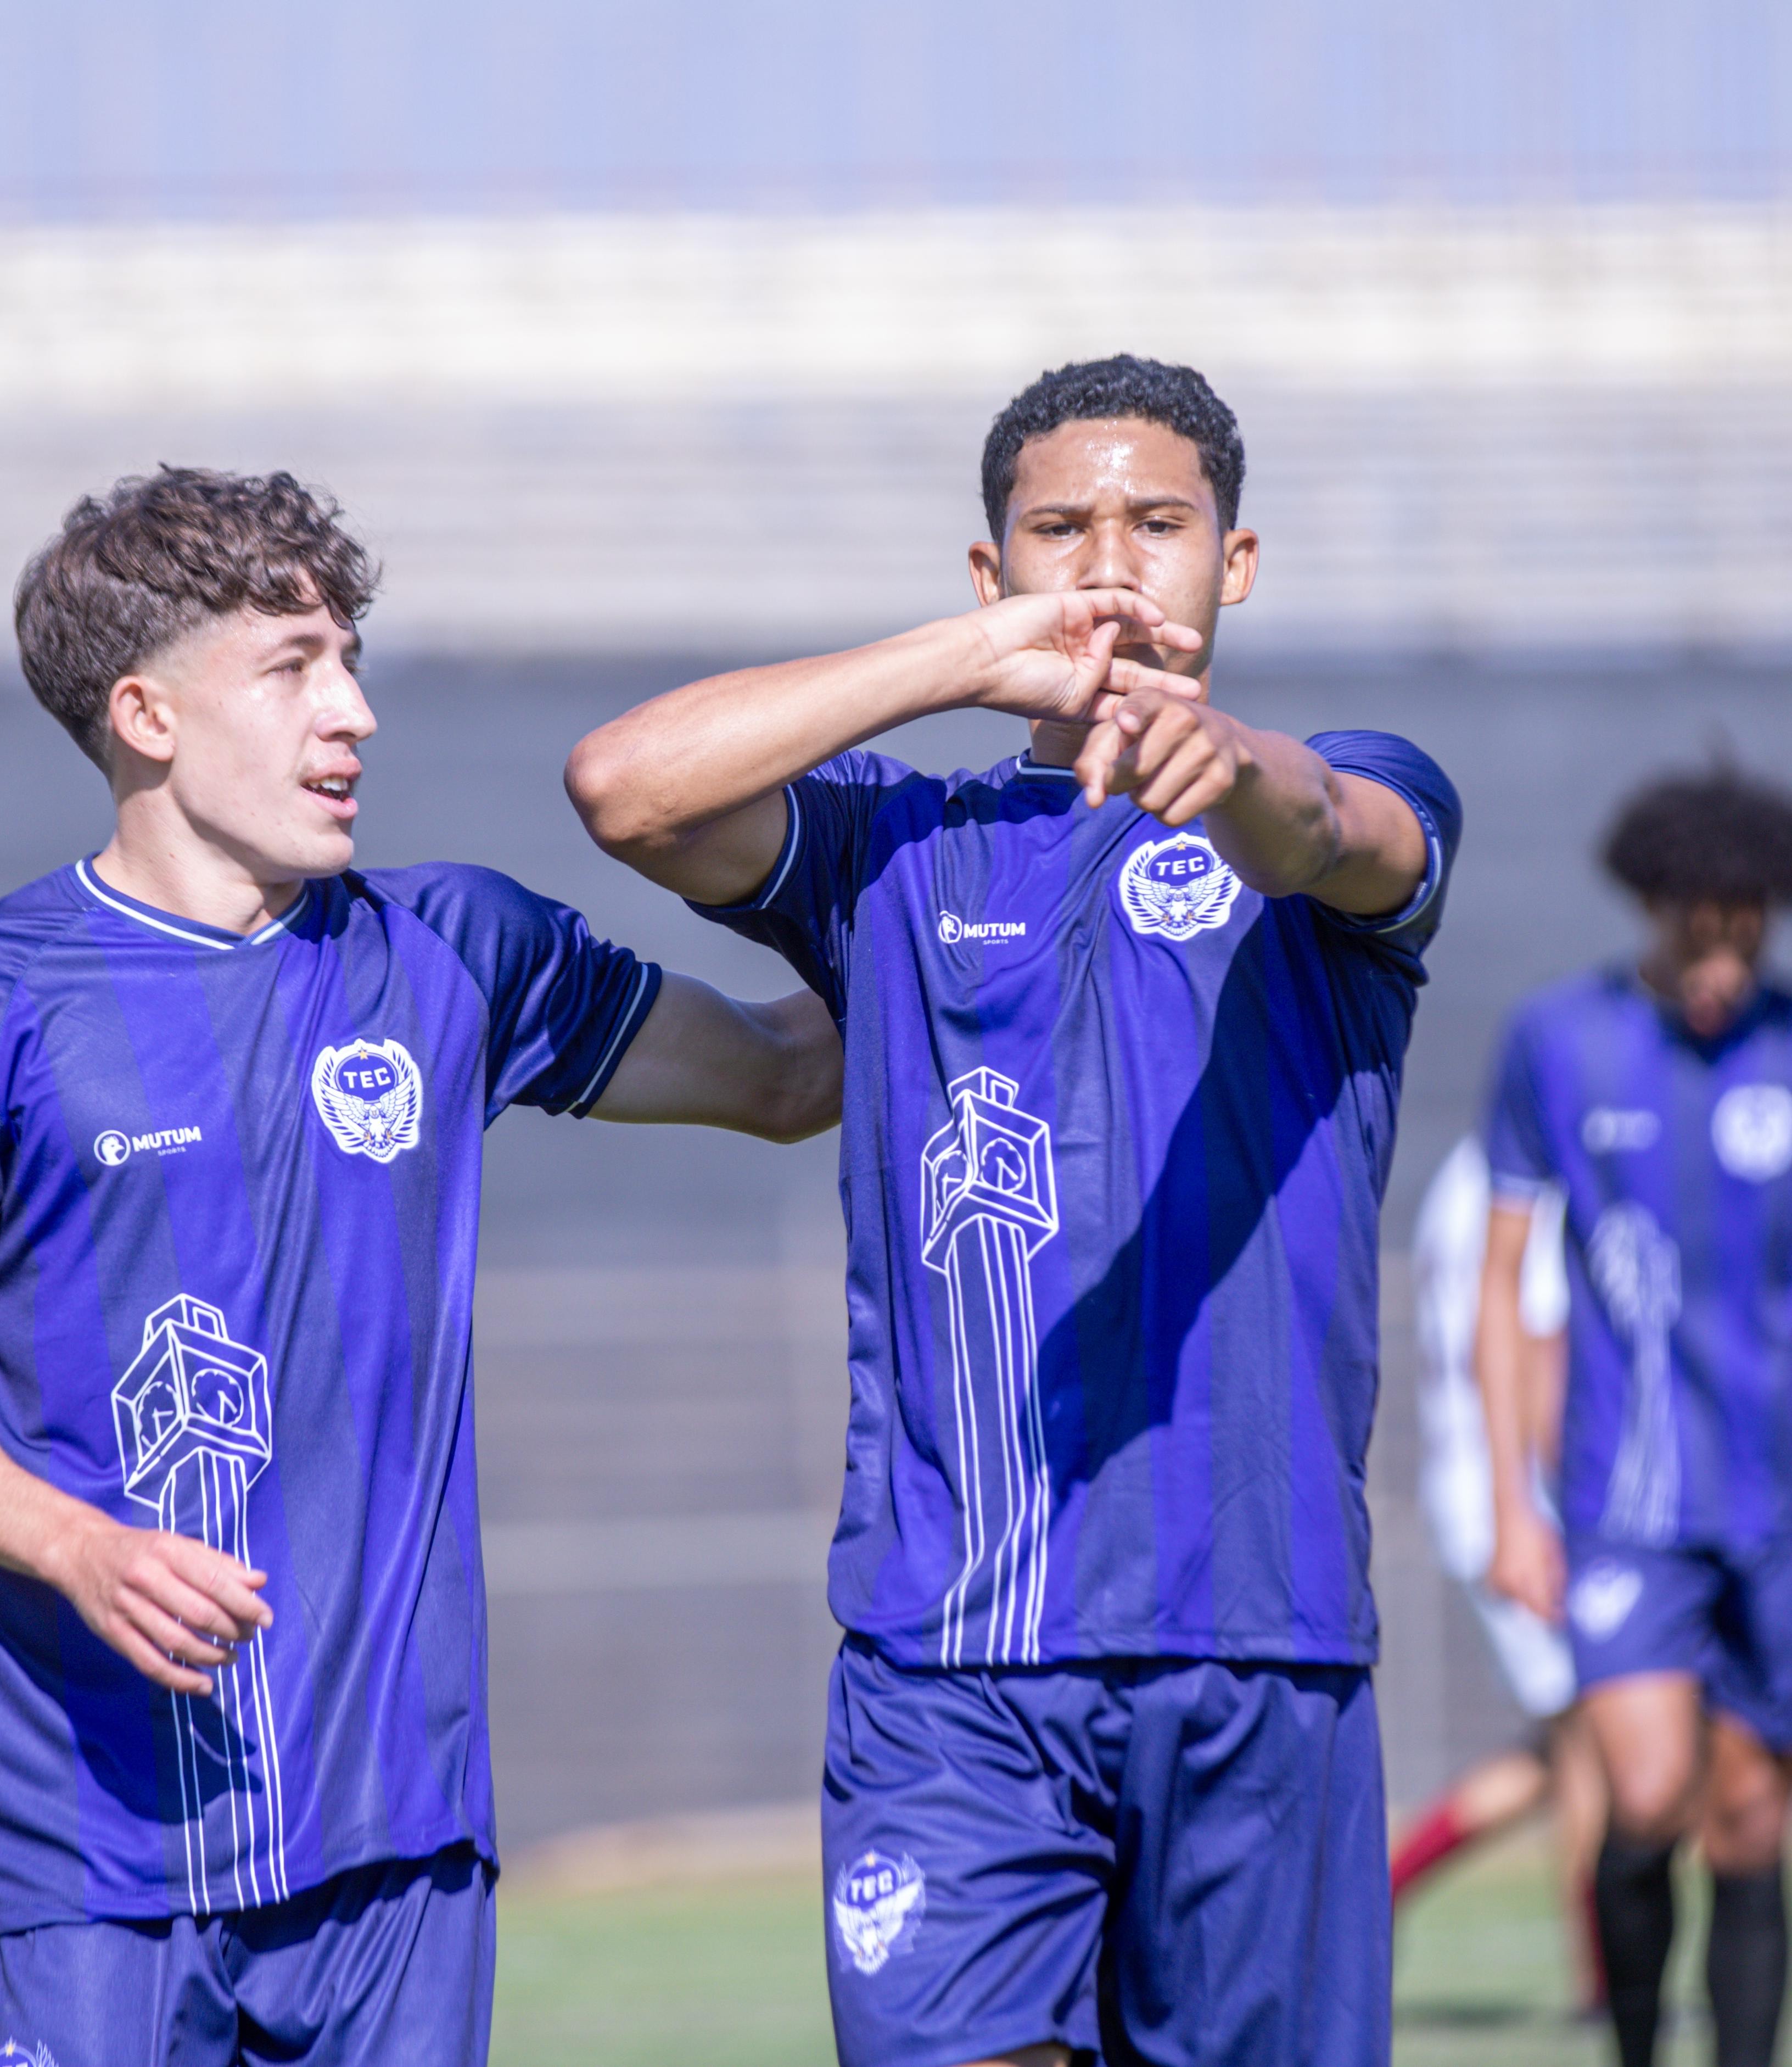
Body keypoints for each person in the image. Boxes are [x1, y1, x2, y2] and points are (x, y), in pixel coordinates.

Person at [0, 466, 841, 2067]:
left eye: (352, 662)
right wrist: (80, 1549)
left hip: (401, 1840)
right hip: (93, 1844)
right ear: (146, 715)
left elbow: (785, 1079)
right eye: (293, 671)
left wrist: (994, 906)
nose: (352, 714)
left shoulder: (458, 946)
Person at [566, 354, 1460, 2066]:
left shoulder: (1335, 787)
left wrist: (1224, 761)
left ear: (1238, 562)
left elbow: (1337, 828)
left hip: (1252, 1642)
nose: (1111, 561)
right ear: (994, 570)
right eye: (1061, 528)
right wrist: (976, 666)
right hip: (951, 1652)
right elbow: (630, 787)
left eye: (1158, 524)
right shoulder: (897, 847)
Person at [1483, 767, 1792, 2067]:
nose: (1719, 967)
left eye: (1745, 936)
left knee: (1751, 1818)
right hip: (1629, 1505)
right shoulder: (1559, 1043)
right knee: (1652, 1787)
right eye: (1694, 936)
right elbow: (1501, 1282)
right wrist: (1512, 1503)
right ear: (1649, 910)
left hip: (1777, 1503)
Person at [1390, 1137, 1609, 2009]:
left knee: (1574, 1740)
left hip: (1473, 1486)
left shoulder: (1459, 1172)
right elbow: (1535, 1352)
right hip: (1521, 1501)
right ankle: (1606, 1972)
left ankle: (1388, 1882)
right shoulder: (1530, 1188)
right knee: (1595, 1730)